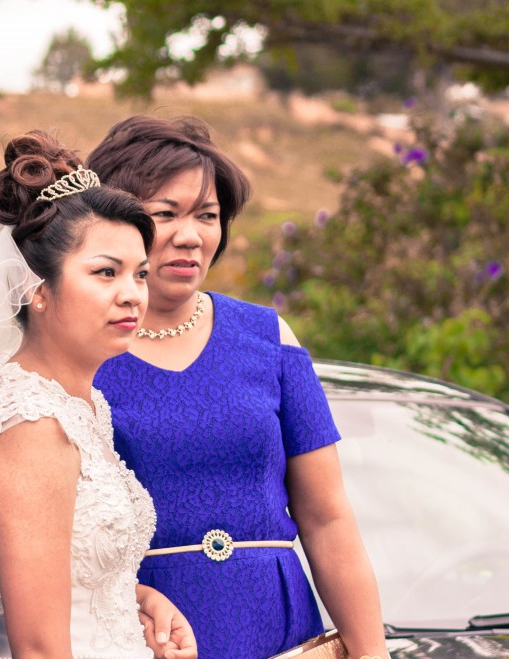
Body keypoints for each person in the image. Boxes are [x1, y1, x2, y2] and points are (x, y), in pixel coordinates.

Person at [86, 115, 388, 658]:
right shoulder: (79, 351)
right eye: (165, 214)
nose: (190, 235)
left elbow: (327, 517)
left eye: (207, 215)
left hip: (281, 628)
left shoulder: (268, 336)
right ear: (113, 222)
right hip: (147, 634)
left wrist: (371, 653)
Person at [0, 130, 198, 659]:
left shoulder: (82, 406)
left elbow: (70, 579)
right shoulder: (31, 426)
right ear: (39, 290)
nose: (132, 294)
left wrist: (139, 602)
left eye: (140, 274)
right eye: (105, 272)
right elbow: (39, 648)